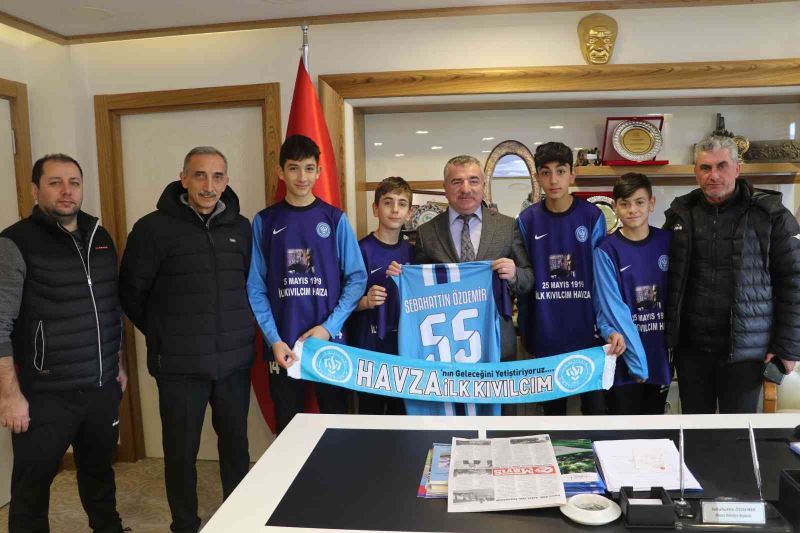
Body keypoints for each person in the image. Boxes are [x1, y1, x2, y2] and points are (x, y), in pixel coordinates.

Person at [119, 146, 254, 533]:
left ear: (226, 182)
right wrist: (164, 333)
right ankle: (184, 524)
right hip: (179, 367)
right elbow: (131, 293)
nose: (208, 185)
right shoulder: (152, 229)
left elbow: (251, 287)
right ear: (183, 179)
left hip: (233, 363)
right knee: (180, 453)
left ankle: (237, 519)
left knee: (236, 447)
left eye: (217, 176)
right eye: (199, 175)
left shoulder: (241, 228)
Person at [0, 154, 126, 533]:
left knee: (100, 474)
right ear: (35, 190)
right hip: (45, 394)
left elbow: (109, 307)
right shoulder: (15, 243)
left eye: (74, 182)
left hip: (101, 387)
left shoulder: (100, 237)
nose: (67, 191)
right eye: (55, 183)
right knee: (32, 486)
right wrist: (9, 395)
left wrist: (117, 364)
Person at [664, 135, 800, 414]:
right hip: (691, 351)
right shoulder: (680, 213)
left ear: (737, 169)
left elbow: (794, 281)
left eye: (722, 166)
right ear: (695, 171)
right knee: (693, 430)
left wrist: (788, 346)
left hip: (746, 352)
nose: (713, 175)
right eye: (705, 168)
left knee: (737, 432)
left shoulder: (771, 214)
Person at [388, 155, 532, 415]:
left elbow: (529, 278)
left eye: (473, 181)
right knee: (449, 422)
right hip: (445, 349)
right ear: (445, 187)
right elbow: (418, 291)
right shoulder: (427, 232)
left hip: (498, 345)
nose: (466, 189)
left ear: (483, 185)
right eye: (457, 182)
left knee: (502, 423)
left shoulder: (507, 226)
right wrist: (401, 279)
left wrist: (514, 275)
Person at [247, 134, 366, 433]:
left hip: (330, 345)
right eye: (294, 168)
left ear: (319, 171)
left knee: (336, 427)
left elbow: (357, 278)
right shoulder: (264, 221)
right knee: (288, 430)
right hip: (283, 346)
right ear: (280, 171)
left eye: (309, 168)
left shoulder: (335, 220)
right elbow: (256, 287)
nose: (302, 177)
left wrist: (329, 328)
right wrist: (274, 339)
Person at [517, 142, 624, 416]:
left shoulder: (592, 216)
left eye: (561, 171)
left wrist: (608, 325)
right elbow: (526, 277)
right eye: (546, 172)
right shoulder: (527, 220)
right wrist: (528, 330)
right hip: (547, 334)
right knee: (552, 417)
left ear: (572, 174)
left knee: (595, 414)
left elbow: (602, 280)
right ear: (538, 177)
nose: (554, 180)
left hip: (588, 334)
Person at [593, 173, 672, 415]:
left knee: (656, 429)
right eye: (625, 204)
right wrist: (610, 332)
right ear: (615, 207)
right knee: (623, 432)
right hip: (623, 358)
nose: (632, 210)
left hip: (659, 355)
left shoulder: (668, 242)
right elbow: (607, 307)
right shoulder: (606, 251)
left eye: (639, 202)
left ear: (652, 203)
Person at [347, 177, 413, 415]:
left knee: (402, 420)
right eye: (388, 202)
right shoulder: (360, 250)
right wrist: (364, 302)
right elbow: (340, 302)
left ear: (409, 213)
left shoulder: (414, 253)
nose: (395, 209)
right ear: (375, 209)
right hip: (369, 353)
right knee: (370, 419)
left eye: (402, 203)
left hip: (404, 353)